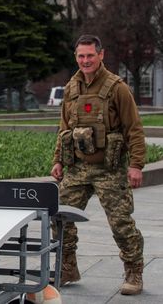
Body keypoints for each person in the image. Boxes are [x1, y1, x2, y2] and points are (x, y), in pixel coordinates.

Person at [51, 34, 145, 295]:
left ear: (101, 55)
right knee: (58, 216)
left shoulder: (117, 88)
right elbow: (64, 128)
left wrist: (136, 165)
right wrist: (58, 160)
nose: (85, 60)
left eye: (90, 55)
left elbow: (134, 129)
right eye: (81, 56)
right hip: (78, 168)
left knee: (121, 223)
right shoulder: (71, 88)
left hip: (110, 169)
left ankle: (134, 272)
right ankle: (67, 267)